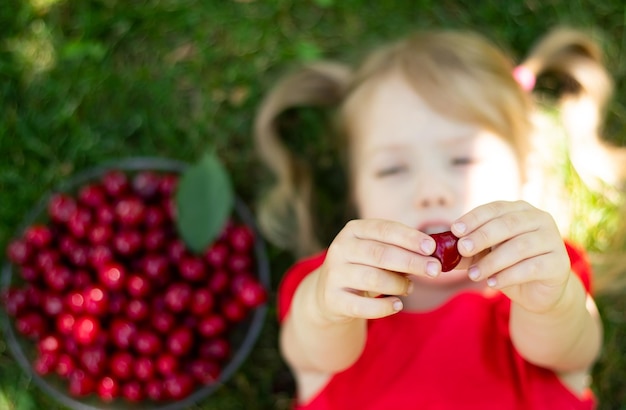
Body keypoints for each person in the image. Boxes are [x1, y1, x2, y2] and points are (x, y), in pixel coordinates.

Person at [253, 27, 625, 409]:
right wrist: (325, 307)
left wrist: (552, 303)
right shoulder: (345, 293)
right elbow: (310, 355)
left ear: (524, 174)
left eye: (463, 160)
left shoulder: (540, 278)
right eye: (393, 169)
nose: (431, 191)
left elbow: (574, 352)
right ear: (356, 194)